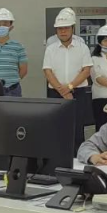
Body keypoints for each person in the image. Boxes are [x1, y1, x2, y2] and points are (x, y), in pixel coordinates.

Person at [43, 9, 93, 148]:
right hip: (56, 93)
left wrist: (70, 87)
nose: (63, 31)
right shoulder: (51, 49)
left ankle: (78, 157)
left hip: (78, 92)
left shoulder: (82, 47)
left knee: (77, 128)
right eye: (60, 29)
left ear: (72, 29)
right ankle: (57, 157)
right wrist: (63, 91)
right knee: (56, 126)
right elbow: (47, 71)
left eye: (66, 28)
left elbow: (86, 71)